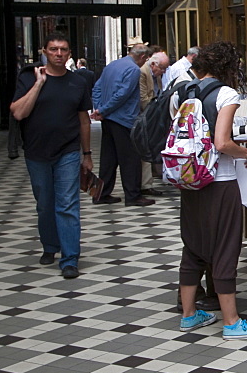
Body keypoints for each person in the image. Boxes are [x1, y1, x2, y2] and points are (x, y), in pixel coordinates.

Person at [172, 41, 247, 341]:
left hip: (190, 180)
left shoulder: (180, 92)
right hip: (221, 181)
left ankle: (189, 315)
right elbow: (222, 143)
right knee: (226, 246)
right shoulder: (226, 94)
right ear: (229, 67)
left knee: (193, 245)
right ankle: (232, 322)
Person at [10, 32, 92, 279]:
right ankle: (49, 245)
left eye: (63, 50)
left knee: (67, 205)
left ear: (69, 53)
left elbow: (84, 121)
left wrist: (86, 154)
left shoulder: (78, 82)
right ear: (44, 51)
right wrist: (38, 84)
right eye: (54, 49)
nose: (58, 54)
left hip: (67, 151)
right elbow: (18, 113)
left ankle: (69, 259)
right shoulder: (28, 77)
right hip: (36, 152)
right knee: (45, 204)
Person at [91, 43, 154, 206]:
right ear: (141, 57)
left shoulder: (112, 65)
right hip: (123, 119)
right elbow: (123, 95)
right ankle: (133, 196)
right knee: (130, 159)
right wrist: (103, 110)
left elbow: (96, 88)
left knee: (108, 158)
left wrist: (99, 108)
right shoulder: (134, 70)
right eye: (145, 60)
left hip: (108, 120)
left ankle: (100, 194)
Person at [139, 51, 169, 196]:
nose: (163, 72)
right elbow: (143, 98)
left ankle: (147, 183)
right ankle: (144, 185)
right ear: (153, 64)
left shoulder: (155, 75)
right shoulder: (143, 72)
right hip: (146, 116)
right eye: (162, 68)